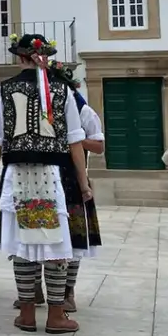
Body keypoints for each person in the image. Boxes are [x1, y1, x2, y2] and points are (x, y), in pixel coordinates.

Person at [0, 33, 89, 335]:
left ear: (19, 57)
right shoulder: (62, 89)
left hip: (16, 173)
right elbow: (74, 139)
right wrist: (83, 183)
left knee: (23, 244)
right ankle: (56, 314)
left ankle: (28, 313)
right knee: (55, 241)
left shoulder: (5, 89)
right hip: (52, 174)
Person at [46, 61, 104, 312]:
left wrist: (74, 140)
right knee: (39, 234)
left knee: (73, 238)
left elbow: (99, 145)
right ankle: (36, 290)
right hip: (44, 176)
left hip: (71, 178)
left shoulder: (83, 111)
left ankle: (68, 291)